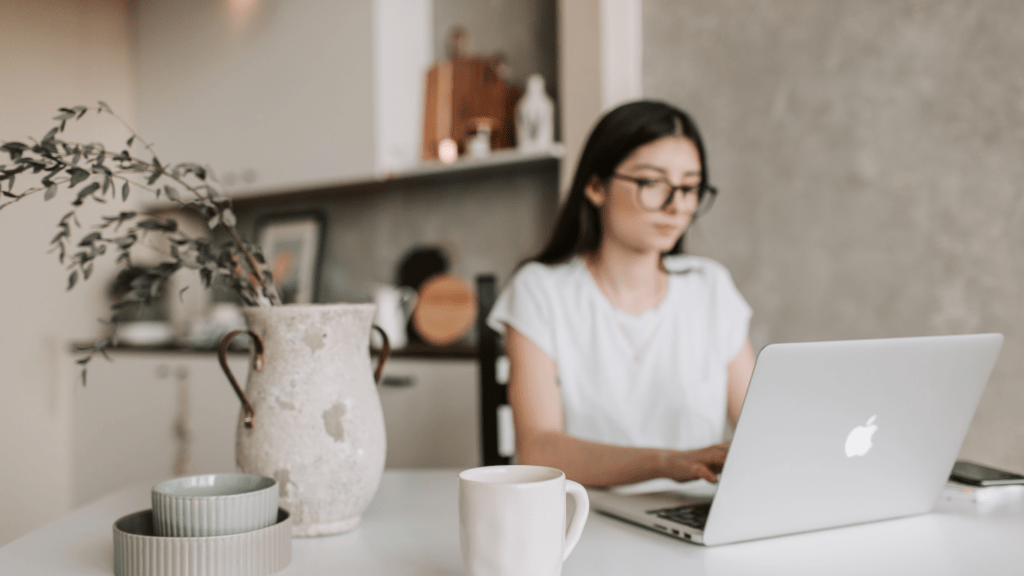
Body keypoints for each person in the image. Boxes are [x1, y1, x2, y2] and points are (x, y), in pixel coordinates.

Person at [486, 100, 756, 488]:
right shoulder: (540, 291)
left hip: (694, 517)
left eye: (690, 187)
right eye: (653, 183)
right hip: (584, 519)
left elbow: (758, 428)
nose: (677, 205)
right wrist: (667, 462)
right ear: (597, 187)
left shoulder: (710, 287)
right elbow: (538, 450)